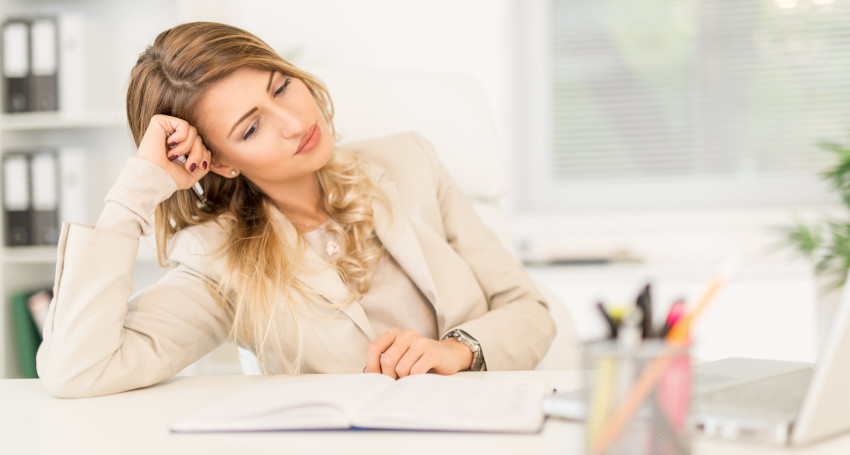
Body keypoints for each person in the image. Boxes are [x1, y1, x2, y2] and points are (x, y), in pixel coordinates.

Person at [35, 22, 556, 398]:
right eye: (251, 128)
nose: (292, 121)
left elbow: (529, 312)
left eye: (280, 86)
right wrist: (134, 194)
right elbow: (76, 370)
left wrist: (456, 351)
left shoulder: (408, 161)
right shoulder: (222, 262)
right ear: (220, 162)